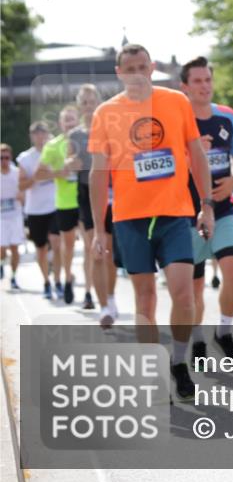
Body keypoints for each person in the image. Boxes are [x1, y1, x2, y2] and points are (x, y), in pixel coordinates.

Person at [88, 43, 215, 402]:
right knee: (144, 299)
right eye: (129, 69)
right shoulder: (105, 113)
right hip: (129, 218)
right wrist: (100, 229)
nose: (136, 73)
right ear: (119, 73)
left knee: (184, 293)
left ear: (152, 67)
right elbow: (99, 174)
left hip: (175, 213)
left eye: (142, 66)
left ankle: (177, 362)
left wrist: (206, 206)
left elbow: (197, 156)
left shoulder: (176, 102)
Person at [179, 57, 233, 360]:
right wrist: (194, 154)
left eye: (208, 79)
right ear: (185, 87)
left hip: (223, 206)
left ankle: (224, 332)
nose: (205, 86)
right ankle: (197, 340)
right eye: (197, 81)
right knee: (194, 290)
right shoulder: (176, 121)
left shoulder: (227, 117)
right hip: (186, 212)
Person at [38, 105, 81, 304]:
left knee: (91, 245)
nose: (70, 123)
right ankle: (67, 276)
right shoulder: (53, 146)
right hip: (65, 201)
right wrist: (59, 173)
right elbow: (39, 175)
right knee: (68, 245)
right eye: (67, 120)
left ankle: (91, 292)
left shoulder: (87, 140)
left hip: (86, 199)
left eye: (73, 119)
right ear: (60, 124)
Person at [65, 84, 103, 310]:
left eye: (92, 102)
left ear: (98, 103)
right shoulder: (74, 135)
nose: (89, 107)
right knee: (91, 245)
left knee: (106, 247)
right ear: (80, 106)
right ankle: (89, 293)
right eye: (85, 103)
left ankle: (106, 293)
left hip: (108, 192)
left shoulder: (107, 128)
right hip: (84, 192)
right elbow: (68, 165)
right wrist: (71, 164)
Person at [18, 122, 61, 299]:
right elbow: (22, 185)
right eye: (36, 133)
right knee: (41, 249)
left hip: (55, 206)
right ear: (31, 136)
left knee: (56, 243)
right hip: (35, 210)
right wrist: (37, 176)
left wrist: (49, 174)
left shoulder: (56, 153)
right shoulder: (25, 158)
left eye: (43, 132)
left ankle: (58, 281)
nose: (40, 136)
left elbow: (65, 174)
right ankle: (46, 282)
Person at [0, 144, 24, 289]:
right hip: (0, 217)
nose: (4, 161)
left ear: (11, 158)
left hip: (15, 215)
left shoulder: (16, 173)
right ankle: (1, 263)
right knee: (2, 248)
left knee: (15, 248)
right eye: (1, 158)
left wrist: (21, 195)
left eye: (6, 157)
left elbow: (24, 189)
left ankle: (14, 276)